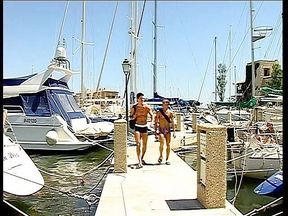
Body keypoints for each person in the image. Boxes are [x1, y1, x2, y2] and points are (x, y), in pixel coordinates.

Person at [130, 92, 153, 168]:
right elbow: (131, 117)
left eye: (143, 98)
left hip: (145, 126)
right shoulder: (134, 107)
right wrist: (134, 115)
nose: (142, 100)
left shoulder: (147, 107)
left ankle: (142, 158)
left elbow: (152, 115)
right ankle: (139, 161)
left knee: (145, 144)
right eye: (141, 98)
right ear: (137, 99)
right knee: (138, 144)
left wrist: (151, 123)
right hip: (137, 126)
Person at [154, 99, 176, 165]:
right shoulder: (159, 112)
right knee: (162, 143)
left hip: (168, 130)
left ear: (168, 104)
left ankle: (167, 159)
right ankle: (161, 155)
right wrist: (156, 131)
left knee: (168, 145)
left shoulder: (170, 112)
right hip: (161, 130)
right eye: (163, 103)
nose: (164, 104)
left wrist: (174, 132)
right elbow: (156, 122)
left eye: (166, 103)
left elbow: (173, 122)